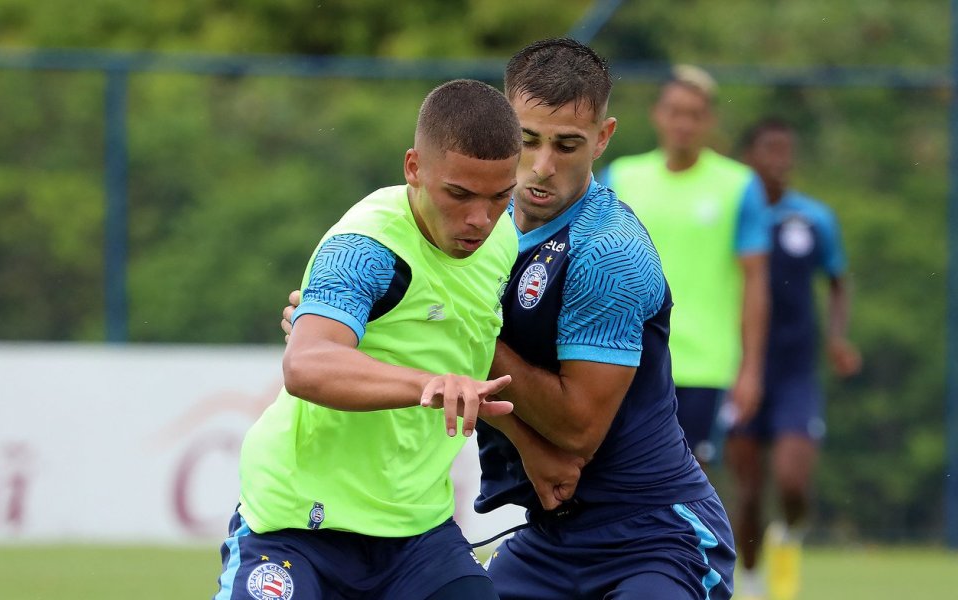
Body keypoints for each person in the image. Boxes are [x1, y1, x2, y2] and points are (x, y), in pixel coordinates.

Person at [283, 39, 736, 599]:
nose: (542, 168)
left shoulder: (608, 251)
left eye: (567, 145)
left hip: (651, 534)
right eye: (527, 140)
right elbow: (413, 332)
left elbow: (576, 431)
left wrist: (442, 331)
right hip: (545, 538)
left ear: (603, 138)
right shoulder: (478, 226)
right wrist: (361, 326)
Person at [214, 79, 523, 600]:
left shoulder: (504, 238)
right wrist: (429, 384)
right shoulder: (365, 247)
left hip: (417, 533)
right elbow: (306, 364)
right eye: (459, 194)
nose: (480, 219)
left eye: (499, 196)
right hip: (298, 526)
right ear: (414, 168)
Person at [600, 65, 771, 467]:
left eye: (694, 114)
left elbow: (756, 281)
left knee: (690, 478)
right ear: (657, 114)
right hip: (627, 355)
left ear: (709, 120)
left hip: (704, 365)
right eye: (675, 112)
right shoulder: (621, 177)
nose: (683, 124)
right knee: (620, 471)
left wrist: (750, 368)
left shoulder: (738, 185)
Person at [727, 118, 861, 600]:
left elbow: (838, 280)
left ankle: (791, 531)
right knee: (747, 491)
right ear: (749, 157)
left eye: (787, 150)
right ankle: (753, 581)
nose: (780, 159)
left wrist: (838, 338)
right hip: (739, 367)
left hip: (796, 373)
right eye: (770, 149)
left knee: (791, 481)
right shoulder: (733, 214)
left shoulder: (814, 218)